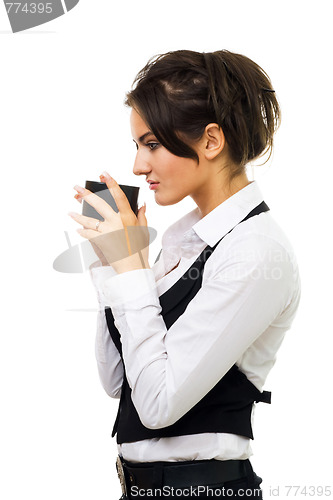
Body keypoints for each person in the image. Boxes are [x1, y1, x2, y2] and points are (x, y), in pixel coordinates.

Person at [69, 50, 301, 499]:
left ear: (211, 142)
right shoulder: (184, 241)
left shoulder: (254, 251)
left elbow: (159, 404)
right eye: (137, 146)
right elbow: (118, 382)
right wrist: (114, 265)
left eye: (151, 144)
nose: (138, 165)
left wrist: (131, 270)